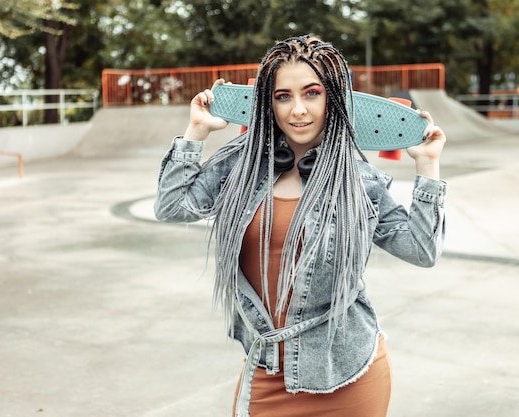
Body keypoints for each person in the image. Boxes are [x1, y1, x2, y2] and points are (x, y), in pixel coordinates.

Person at [154, 34, 447, 417]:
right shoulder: (241, 167)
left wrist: (427, 166)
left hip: (349, 374)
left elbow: (422, 251)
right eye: (283, 96)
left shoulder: (357, 179)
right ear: (268, 103)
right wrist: (197, 132)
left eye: (312, 93)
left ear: (334, 99)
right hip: (268, 370)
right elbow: (172, 206)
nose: (298, 111)